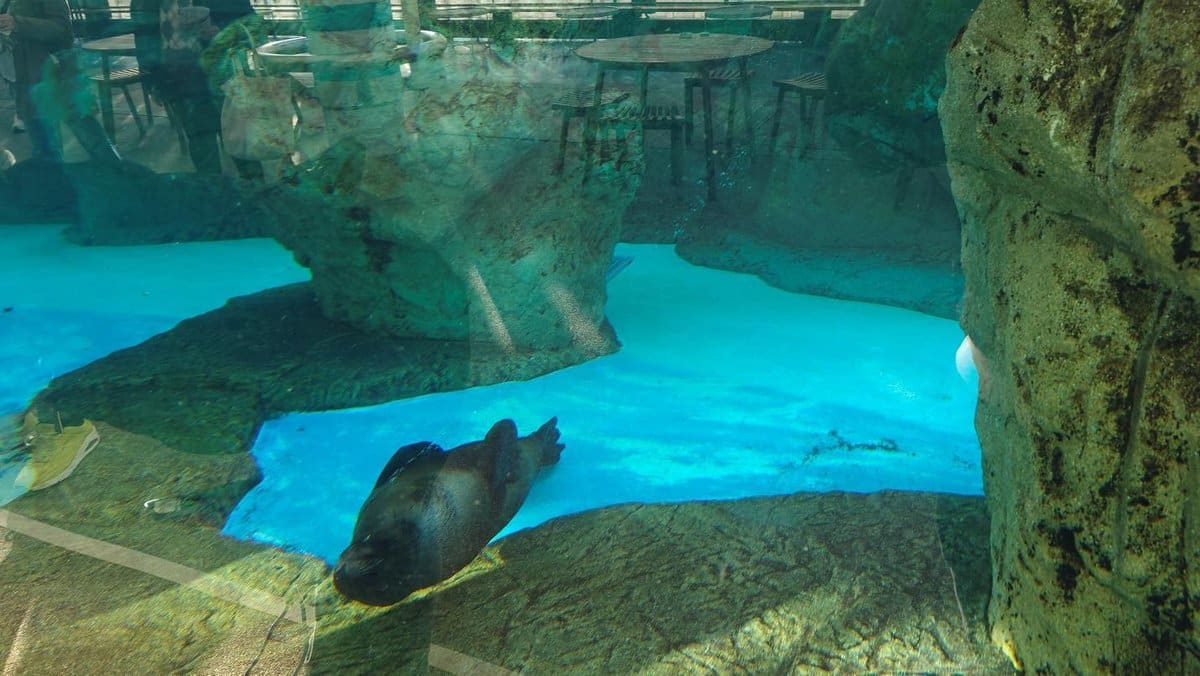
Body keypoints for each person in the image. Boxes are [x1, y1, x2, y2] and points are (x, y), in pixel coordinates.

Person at [132, 0, 261, 177]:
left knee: (239, 141)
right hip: (180, 80)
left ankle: (255, 194)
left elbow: (251, 23)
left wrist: (221, 33)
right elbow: (145, 38)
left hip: (224, 77)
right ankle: (217, 193)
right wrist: (153, 82)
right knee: (202, 145)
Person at [0, 0, 120, 162]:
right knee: (45, 150)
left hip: (54, 75)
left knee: (90, 137)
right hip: (20, 79)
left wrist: (17, 23)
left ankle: (119, 178)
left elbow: (61, 29)